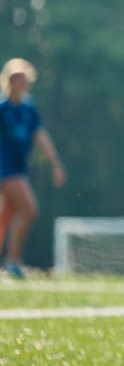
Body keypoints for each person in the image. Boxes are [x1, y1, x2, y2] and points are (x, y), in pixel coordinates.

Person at [0, 58, 66, 279]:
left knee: (6, 216)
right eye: (15, 78)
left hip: (19, 169)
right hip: (6, 170)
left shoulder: (29, 108)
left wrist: (54, 161)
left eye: (23, 78)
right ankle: (14, 261)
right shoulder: (2, 108)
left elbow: (40, 135)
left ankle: (11, 262)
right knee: (29, 209)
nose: (19, 82)